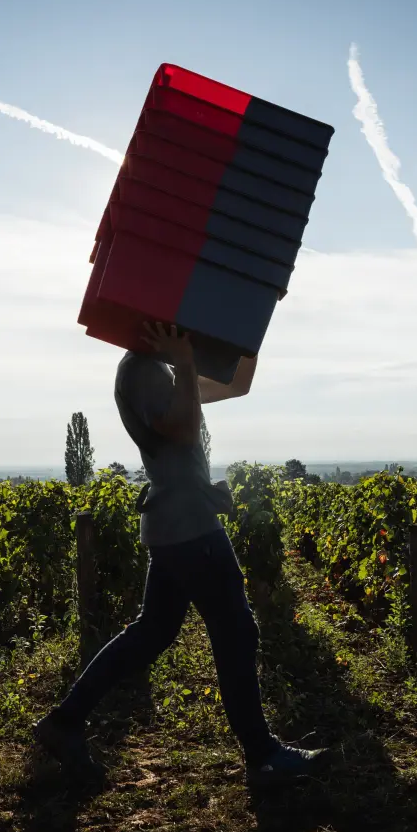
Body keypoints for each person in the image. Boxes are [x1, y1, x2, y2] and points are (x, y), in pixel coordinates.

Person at [34, 322, 328, 786]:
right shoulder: (143, 371)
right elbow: (185, 431)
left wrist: (254, 317)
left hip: (177, 523)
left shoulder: (158, 371)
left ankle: (65, 721)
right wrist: (187, 361)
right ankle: (263, 756)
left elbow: (237, 384)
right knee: (236, 632)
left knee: (154, 630)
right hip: (189, 526)